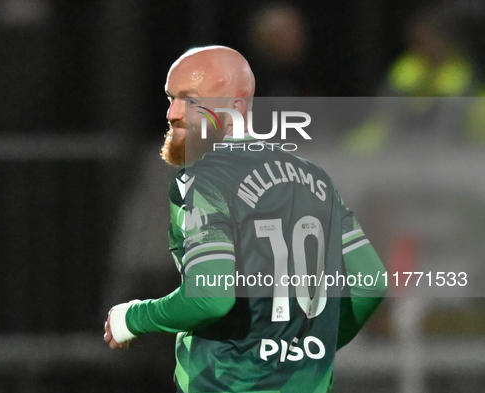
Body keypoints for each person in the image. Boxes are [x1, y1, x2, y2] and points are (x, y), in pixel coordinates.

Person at [104, 46, 387, 392]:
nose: (174, 113)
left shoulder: (203, 180)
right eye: (171, 98)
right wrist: (310, 352)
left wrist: (132, 317)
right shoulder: (314, 179)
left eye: (191, 100)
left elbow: (210, 297)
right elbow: (371, 281)